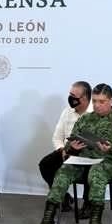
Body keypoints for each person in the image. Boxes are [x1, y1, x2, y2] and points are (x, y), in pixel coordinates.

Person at [32, 83, 112, 224]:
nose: (97, 105)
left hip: (110, 163)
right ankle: (47, 222)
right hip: (84, 161)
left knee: (97, 172)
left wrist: (111, 149)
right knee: (63, 171)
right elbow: (70, 143)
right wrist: (72, 148)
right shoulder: (86, 119)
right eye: (95, 101)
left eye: (102, 101)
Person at [38, 81, 93, 215]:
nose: (70, 98)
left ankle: (88, 204)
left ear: (85, 98)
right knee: (45, 164)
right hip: (68, 151)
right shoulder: (67, 112)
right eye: (70, 94)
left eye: (74, 96)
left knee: (91, 167)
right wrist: (62, 150)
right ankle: (64, 198)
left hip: (88, 153)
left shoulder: (95, 113)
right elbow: (57, 137)